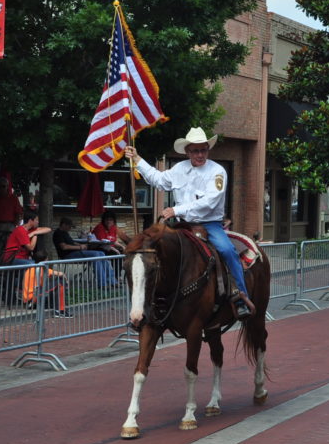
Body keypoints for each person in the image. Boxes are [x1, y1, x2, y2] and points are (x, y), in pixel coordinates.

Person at [125, 127, 255, 319]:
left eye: (203, 150)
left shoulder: (217, 172)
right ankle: (157, 298)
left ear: (208, 150)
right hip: (180, 224)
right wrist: (137, 160)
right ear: (187, 151)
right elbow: (159, 180)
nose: (200, 154)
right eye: (195, 150)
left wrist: (176, 210)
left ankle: (240, 296)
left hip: (208, 224)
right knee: (154, 251)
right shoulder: (179, 169)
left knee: (227, 250)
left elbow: (211, 201)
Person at [53, 217, 118, 286]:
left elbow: (72, 242)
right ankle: (102, 283)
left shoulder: (65, 233)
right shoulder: (58, 233)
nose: (70, 228)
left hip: (74, 252)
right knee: (95, 255)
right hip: (68, 255)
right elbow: (64, 247)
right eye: (69, 226)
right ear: (64, 225)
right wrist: (80, 247)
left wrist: (82, 245)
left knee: (101, 253)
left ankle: (112, 281)